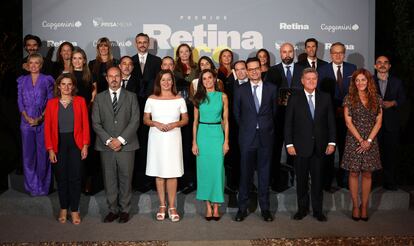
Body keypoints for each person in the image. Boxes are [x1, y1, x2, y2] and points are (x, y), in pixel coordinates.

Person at [285, 68, 336, 222]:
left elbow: (331, 122)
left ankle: (318, 211)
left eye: (314, 78)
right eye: (308, 79)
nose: (311, 81)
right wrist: (289, 144)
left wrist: (332, 142)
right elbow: (288, 124)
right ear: (302, 80)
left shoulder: (325, 98)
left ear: (317, 79)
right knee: (301, 181)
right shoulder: (294, 98)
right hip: (300, 147)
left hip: (320, 147)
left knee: (318, 181)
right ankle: (302, 209)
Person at [92, 67, 140, 223]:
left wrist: (120, 140)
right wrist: (109, 141)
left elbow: (135, 121)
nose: (114, 79)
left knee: (126, 178)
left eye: (117, 76)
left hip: (127, 145)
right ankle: (112, 210)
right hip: (106, 146)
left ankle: (125, 210)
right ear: (106, 79)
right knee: (109, 178)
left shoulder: (131, 97)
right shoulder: (99, 98)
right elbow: (96, 123)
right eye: (111, 76)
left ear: (121, 78)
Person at [234, 57, 277, 222]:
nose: (253, 71)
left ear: (261, 68)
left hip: (266, 137)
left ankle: (265, 209)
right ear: (246, 70)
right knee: (245, 174)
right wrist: (249, 127)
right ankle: (242, 209)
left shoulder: (272, 88)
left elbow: (274, 113)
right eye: (250, 69)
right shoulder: (240, 90)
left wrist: (263, 126)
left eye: (256, 68)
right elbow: (237, 114)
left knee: (264, 174)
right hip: (247, 138)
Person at [44, 73, 90, 224]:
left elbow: (85, 125)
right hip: (58, 145)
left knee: (76, 178)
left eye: (69, 84)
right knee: (61, 178)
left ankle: (75, 210)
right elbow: (48, 129)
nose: (66, 87)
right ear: (58, 86)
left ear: (73, 87)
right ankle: (64, 207)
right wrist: (50, 149)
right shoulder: (51, 103)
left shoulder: (80, 101)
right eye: (63, 84)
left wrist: (85, 145)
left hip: (76, 144)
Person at [144, 69, 188, 222]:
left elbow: (185, 120)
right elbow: (145, 120)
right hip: (156, 138)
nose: (166, 82)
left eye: (169, 80)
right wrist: (155, 123)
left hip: (173, 137)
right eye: (163, 80)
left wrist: (175, 124)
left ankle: (172, 206)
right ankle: (162, 205)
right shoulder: (151, 99)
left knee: (172, 172)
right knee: (159, 173)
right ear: (159, 82)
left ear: (173, 82)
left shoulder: (179, 99)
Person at [341, 68, 382, 221]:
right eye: (357, 80)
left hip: (371, 140)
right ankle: (355, 206)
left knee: (367, 173)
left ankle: (364, 206)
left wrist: (369, 141)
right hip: (354, 140)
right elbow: (348, 121)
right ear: (354, 82)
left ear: (368, 81)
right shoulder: (349, 98)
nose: (360, 83)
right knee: (353, 173)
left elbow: (379, 122)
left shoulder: (377, 98)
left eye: (363, 80)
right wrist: (361, 141)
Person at [319, 42, 357, 191]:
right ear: (330, 54)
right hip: (328, 117)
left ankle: (343, 180)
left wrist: (346, 108)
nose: (338, 55)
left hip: (347, 117)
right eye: (335, 53)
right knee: (328, 150)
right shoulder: (322, 70)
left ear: (344, 53)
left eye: (340, 52)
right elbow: (321, 93)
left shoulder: (352, 69)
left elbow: (354, 92)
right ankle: (326, 182)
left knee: (345, 149)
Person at [266, 42, 304, 192]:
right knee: (275, 151)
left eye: (290, 52)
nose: (287, 55)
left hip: (298, 119)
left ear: (293, 53)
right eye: (284, 52)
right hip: (277, 118)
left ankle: (297, 181)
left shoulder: (303, 70)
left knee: (297, 152)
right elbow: (267, 94)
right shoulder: (273, 71)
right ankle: (275, 181)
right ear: (280, 53)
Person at [192, 69, 229, 220]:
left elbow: (226, 121)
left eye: (209, 78)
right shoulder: (198, 98)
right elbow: (194, 122)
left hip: (217, 134)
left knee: (217, 170)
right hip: (203, 135)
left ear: (215, 79)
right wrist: (194, 142)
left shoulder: (223, 96)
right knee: (204, 171)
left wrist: (226, 141)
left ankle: (216, 205)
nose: (207, 81)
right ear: (201, 81)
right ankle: (208, 206)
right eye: (204, 79)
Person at [17, 53, 54, 196]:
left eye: (36, 63)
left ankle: (44, 187)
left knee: (43, 154)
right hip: (26, 123)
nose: (33, 65)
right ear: (27, 65)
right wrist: (27, 117)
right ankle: (32, 187)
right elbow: (20, 102)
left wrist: (39, 118)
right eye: (30, 63)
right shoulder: (22, 80)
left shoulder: (47, 80)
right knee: (28, 156)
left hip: (43, 122)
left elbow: (50, 102)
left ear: (41, 64)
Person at [131, 33, 162, 192]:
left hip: (153, 108)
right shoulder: (130, 61)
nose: (142, 45)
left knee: (152, 144)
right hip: (134, 108)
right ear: (136, 44)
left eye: (145, 42)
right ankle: (138, 181)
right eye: (139, 42)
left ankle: (152, 180)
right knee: (137, 144)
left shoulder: (157, 61)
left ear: (148, 43)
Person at [374, 55, 406, 190]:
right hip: (373, 125)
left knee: (390, 155)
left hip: (391, 125)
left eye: (385, 63)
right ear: (375, 66)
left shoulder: (397, 82)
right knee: (374, 154)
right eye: (379, 63)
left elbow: (403, 99)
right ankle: (374, 183)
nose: (382, 65)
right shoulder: (368, 81)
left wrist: (393, 102)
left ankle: (390, 182)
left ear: (389, 66)